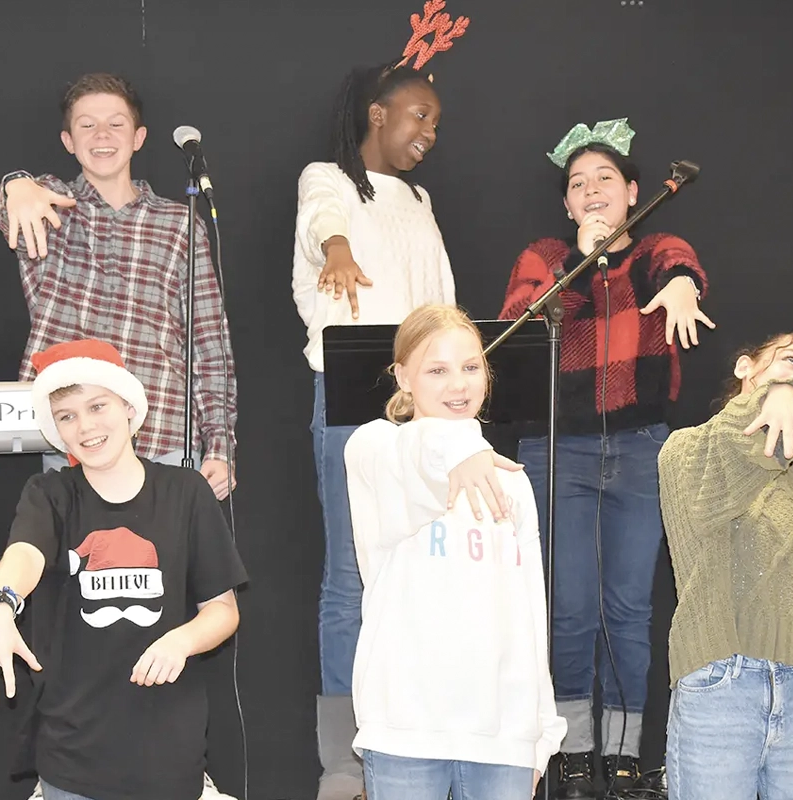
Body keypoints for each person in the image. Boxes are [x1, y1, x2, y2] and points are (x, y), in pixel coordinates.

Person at [498, 118, 712, 798]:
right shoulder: (542, 256)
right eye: (578, 184)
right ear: (567, 205)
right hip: (558, 449)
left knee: (628, 608)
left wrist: (681, 284)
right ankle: (572, 747)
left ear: (633, 192)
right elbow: (519, 320)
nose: (591, 192)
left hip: (642, 446)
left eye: (605, 180)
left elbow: (679, 260)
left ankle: (622, 753)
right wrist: (576, 264)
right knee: (568, 610)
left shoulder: (654, 250)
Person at [0, 339, 247, 800]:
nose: (85, 426)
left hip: (171, 761)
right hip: (72, 766)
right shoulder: (49, 494)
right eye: (67, 416)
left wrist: (181, 639)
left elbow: (223, 610)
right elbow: (25, 553)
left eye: (97, 406)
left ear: (128, 406)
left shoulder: (185, 492)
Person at [291, 61, 455, 799]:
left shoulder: (419, 200)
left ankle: (415, 740)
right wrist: (337, 249)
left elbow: (442, 302)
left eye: (436, 125)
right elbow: (325, 223)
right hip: (351, 394)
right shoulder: (326, 180)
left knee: (421, 566)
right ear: (379, 115)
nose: (428, 133)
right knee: (348, 579)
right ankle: (343, 765)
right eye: (419, 116)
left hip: (422, 402)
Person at [343, 304, 565, 800]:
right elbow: (421, 450)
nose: (458, 385)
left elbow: (530, 614)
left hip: (504, 737)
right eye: (436, 370)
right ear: (402, 376)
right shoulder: (376, 450)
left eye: (470, 367)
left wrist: (541, 735)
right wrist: (462, 449)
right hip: (406, 729)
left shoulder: (514, 483)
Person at [658, 332, 793, 800]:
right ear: (745, 368)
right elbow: (732, 462)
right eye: (789, 361)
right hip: (719, 689)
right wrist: (777, 393)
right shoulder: (684, 450)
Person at [0, 72, 236, 498]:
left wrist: (220, 444)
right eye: (87, 125)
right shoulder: (51, 204)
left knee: (165, 563)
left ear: (139, 137)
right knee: (77, 561)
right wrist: (15, 183)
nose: (102, 135)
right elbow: (12, 203)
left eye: (116, 124)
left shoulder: (179, 223)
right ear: (68, 140)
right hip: (71, 438)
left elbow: (209, 345)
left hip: (161, 433)